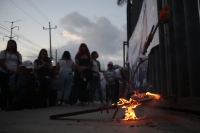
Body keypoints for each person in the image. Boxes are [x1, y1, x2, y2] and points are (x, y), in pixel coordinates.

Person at [0, 40, 22, 110]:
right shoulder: (4, 53)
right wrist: (7, 70)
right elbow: (1, 62)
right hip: (4, 73)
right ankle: (3, 106)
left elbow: (20, 64)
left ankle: (11, 106)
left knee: (12, 90)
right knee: (4, 90)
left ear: (15, 45)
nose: (11, 45)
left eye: (12, 43)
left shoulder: (18, 55)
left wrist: (16, 72)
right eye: (9, 43)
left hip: (14, 75)